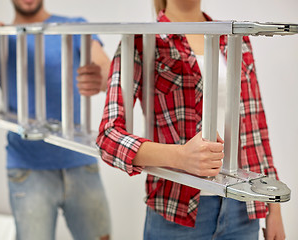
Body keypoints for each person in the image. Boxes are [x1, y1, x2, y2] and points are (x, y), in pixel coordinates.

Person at [96, 0, 285, 239]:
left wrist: (273, 207)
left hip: (243, 206)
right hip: (177, 210)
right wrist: (181, 157)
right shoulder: (142, 41)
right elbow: (108, 136)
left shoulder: (236, 37)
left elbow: (255, 125)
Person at [0, 0, 111, 240]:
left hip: (80, 162)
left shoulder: (73, 26)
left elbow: (104, 69)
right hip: (27, 168)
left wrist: (98, 77)